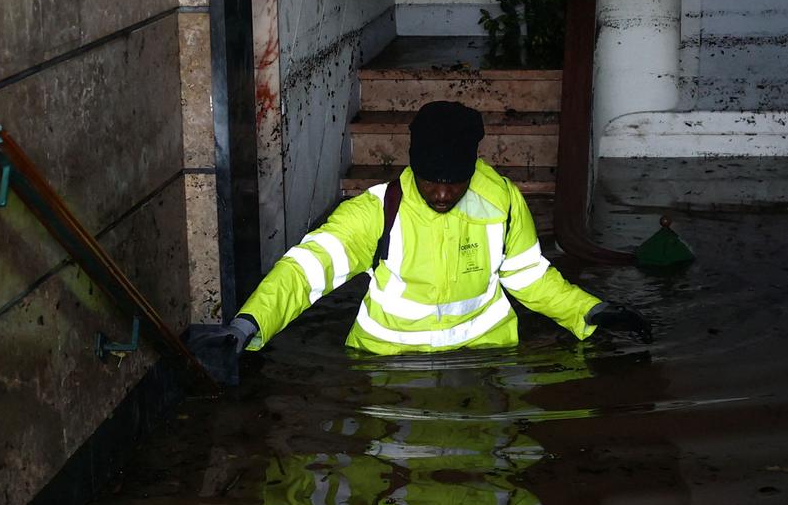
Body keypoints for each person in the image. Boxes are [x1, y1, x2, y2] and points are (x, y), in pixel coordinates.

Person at [226, 101, 652, 357]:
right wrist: (246, 326)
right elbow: (304, 271)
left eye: (456, 181)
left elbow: (529, 277)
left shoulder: (502, 201)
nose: (444, 194)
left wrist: (590, 311)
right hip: (388, 368)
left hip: (485, 363)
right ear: (413, 165)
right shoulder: (378, 211)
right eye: (432, 180)